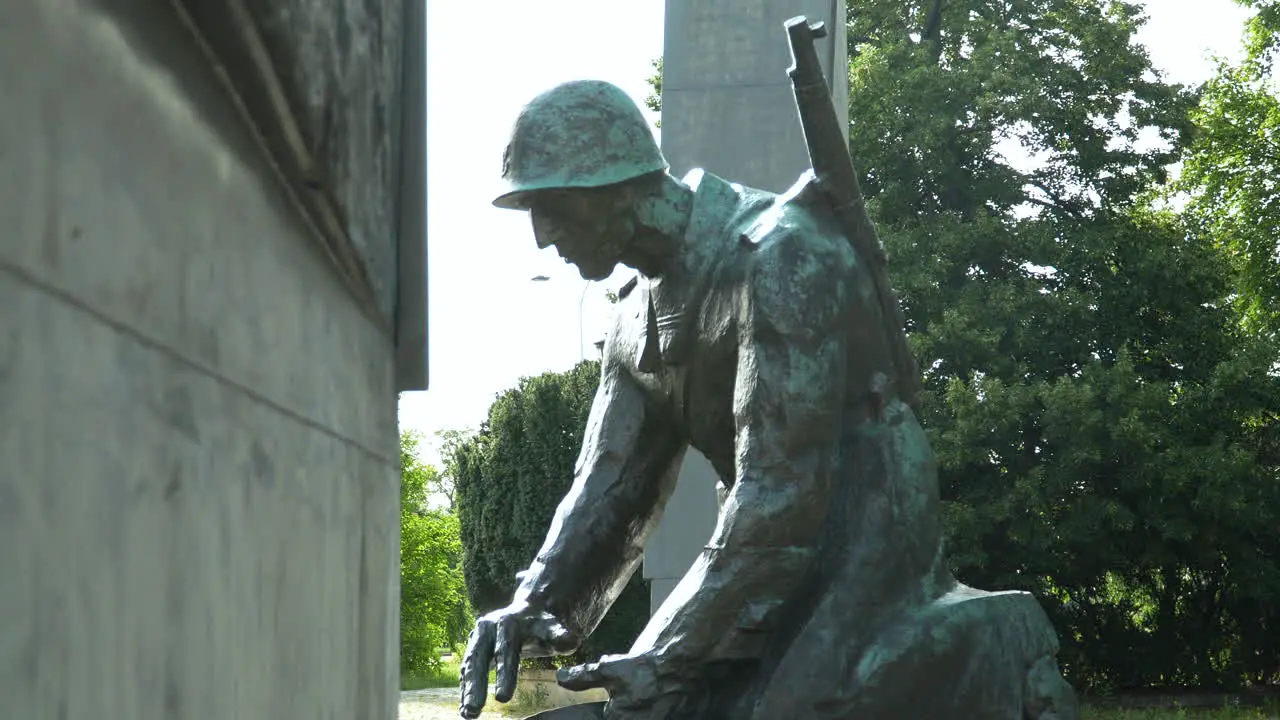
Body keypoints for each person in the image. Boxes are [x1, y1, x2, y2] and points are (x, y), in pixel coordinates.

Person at [459, 79, 1077, 720]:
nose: (541, 235)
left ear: (618, 188)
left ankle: (991, 645)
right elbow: (609, 486)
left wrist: (671, 655)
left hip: (865, 519)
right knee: (644, 708)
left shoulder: (779, 253)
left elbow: (784, 487)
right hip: (756, 540)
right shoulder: (631, 315)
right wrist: (534, 602)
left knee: (779, 710)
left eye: (553, 206)